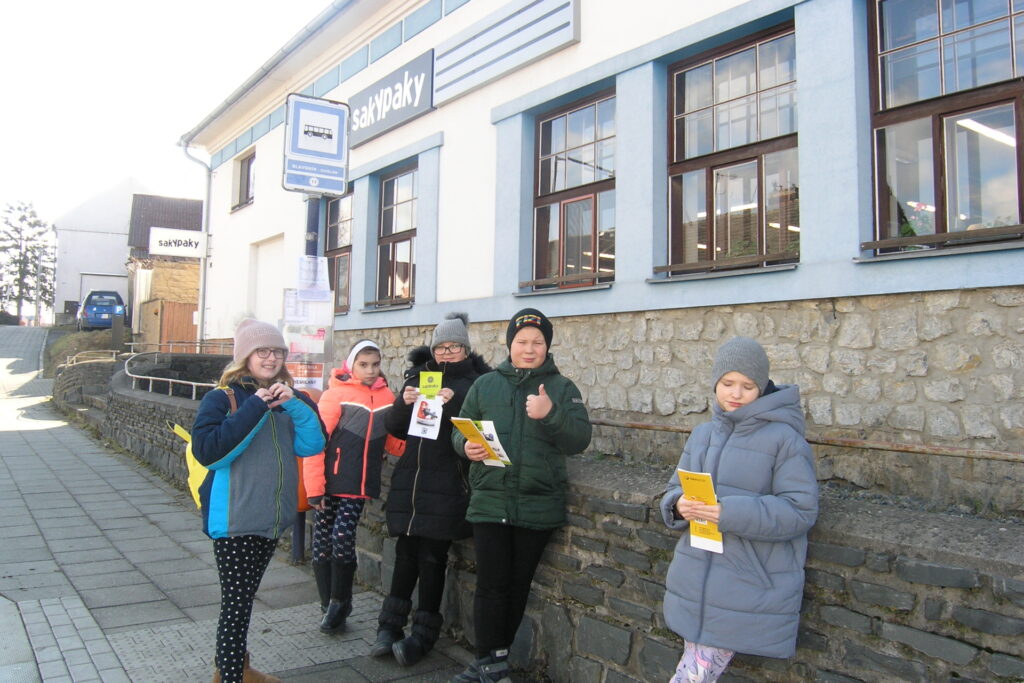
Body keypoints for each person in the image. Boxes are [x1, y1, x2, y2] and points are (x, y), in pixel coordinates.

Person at [659, 336, 818, 683]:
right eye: (728, 383)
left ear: (762, 388)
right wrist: (678, 505)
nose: (736, 393)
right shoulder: (702, 435)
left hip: (745, 583)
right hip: (695, 577)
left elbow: (799, 511)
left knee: (692, 676)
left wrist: (727, 513)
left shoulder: (785, 440)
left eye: (747, 386)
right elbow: (673, 490)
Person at [450, 308, 592, 683]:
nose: (529, 349)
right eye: (522, 341)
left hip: (537, 501)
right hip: (490, 498)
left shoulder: (562, 388)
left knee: (517, 584)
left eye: (537, 342)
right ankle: (489, 661)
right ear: (510, 344)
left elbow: (579, 440)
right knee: (490, 583)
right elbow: (460, 429)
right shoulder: (485, 385)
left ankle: (490, 662)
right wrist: (466, 445)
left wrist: (550, 414)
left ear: (547, 346)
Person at [191, 319, 326, 683]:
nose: (271, 358)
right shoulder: (223, 398)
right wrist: (255, 406)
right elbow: (210, 452)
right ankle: (232, 676)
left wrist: (294, 404)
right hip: (234, 520)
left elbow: (313, 444)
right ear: (245, 356)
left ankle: (237, 669)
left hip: (270, 518)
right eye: (262, 351)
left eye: (277, 351)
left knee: (243, 600)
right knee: (236, 606)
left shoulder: (290, 399)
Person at [370, 312, 492, 666]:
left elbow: (480, 432)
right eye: (441, 347)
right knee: (405, 554)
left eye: (454, 346)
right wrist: (403, 403)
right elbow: (395, 428)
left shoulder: (476, 383)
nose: (447, 353)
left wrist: (453, 403)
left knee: (432, 558)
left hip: (447, 484)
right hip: (411, 483)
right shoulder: (420, 377)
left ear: (466, 349)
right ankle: (389, 626)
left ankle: (423, 634)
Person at [303, 340, 396, 633]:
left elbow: (395, 444)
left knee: (342, 537)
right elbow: (315, 443)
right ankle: (327, 604)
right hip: (328, 482)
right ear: (351, 365)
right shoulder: (335, 395)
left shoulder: (387, 397)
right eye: (363, 364)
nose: (370, 370)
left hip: (358, 484)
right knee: (322, 540)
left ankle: (340, 602)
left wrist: (417, 416)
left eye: (375, 364)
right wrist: (314, 488)